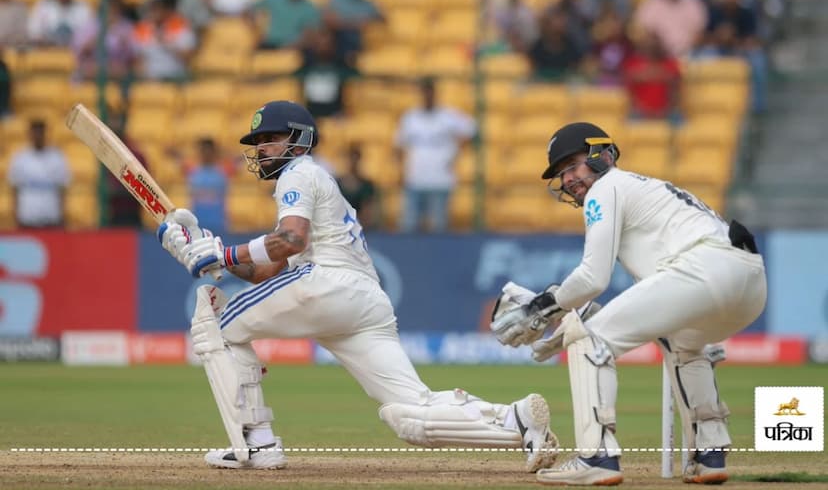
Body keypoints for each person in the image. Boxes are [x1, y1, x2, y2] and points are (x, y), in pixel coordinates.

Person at [155, 101, 558, 471]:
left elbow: (291, 239)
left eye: (270, 140)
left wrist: (220, 256)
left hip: (325, 283)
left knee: (217, 321)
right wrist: (208, 250)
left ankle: (256, 443)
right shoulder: (317, 181)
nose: (261, 149)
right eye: (257, 142)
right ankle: (514, 420)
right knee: (409, 413)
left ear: (298, 141)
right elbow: (264, 273)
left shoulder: (298, 172)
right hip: (365, 301)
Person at [491, 122, 767, 485]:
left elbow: (593, 278)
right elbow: (653, 293)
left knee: (588, 340)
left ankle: (597, 457)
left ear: (601, 155)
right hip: (749, 281)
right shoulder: (643, 189)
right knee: (682, 343)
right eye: (562, 173)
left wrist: (539, 309)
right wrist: (564, 311)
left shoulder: (605, 189)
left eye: (573, 165)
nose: (570, 179)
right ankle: (709, 455)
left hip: (706, 268)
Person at [395, 78, 476, 232]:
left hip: (441, 180)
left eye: (430, 93)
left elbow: (472, 129)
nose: (427, 97)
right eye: (424, 93)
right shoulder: (410, 118)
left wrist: (457, 151)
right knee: (409, 226)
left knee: (439, 227)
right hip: (415, 179)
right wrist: (400, 171)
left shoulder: (448, 116)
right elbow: (399, 145)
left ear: (435, 94)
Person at [8, 120, 71, 228]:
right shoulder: (20, 158)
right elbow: (14, 189)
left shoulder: (57, 157)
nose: (38, 136)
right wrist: (15, 215)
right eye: (35, 133)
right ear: (30, 134)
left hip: (51, 220)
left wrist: (63, 215)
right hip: (27, 220)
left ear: (45, 134)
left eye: (40, 133)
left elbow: (62, 189)